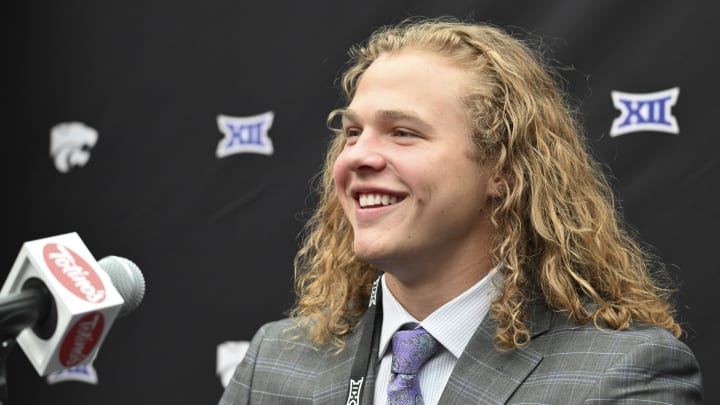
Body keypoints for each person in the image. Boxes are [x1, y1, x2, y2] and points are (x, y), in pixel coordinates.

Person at [219, 17, 703, 404]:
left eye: (403, 132)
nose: (356, 156)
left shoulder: (619, 374)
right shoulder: (277, 361)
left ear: (504, 170)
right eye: (351, 132)